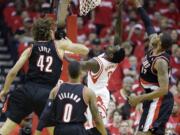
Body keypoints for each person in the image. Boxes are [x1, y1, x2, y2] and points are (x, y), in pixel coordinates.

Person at [0, 1, 89, 135]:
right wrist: (67, 41)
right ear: (51, 32)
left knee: (5, 130)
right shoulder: (59, 46)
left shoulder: (30, 48)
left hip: (27, 90)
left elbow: (13, 72)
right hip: (47, 94)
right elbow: (85, 50)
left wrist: (5, 90)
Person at [128, 0, 174, 135]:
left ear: (160, 44)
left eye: (157, 37)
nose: (154, 36)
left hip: (159, 99)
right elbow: (148, 23)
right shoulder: (153, 46)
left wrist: (139, 99)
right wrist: (138, 6)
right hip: (151, 96)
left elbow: (164, 90)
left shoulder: (161, 62)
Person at [34, 61, 107, 135]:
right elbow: (97, 119)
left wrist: (37, 133)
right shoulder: (88, 92)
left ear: (67, 72)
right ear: (81, 73)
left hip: (59, 130)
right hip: (77, 130)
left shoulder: (55, 90)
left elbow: (45, 115)